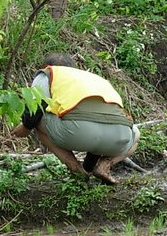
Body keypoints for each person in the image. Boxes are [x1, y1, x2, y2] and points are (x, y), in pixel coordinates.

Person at [12, 53, 140, 184]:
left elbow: (36, 109)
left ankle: (74, 167)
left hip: (78, 133)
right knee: (135, 132)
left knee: (38, 119)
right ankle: (103, 165)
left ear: (46, 67)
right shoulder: (96, 79)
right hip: (119, 137)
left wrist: (26, 127)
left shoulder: (49, 73)